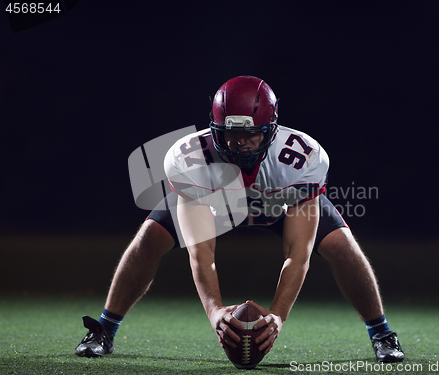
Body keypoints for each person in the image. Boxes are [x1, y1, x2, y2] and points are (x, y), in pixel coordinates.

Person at [75, 75, 405, 363]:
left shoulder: (300, 160)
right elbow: (201, 254)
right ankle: (104, 329)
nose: (239, 143)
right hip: (215, 200)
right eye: (230, 133)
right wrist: (215, 311)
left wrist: (278, 316)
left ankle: (382, 334)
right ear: (215, 127)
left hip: (279, 201)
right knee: (149, 238)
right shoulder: (191, 160)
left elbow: (298, 255)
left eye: (251, 134)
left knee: (343, 247)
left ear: (271, 129)